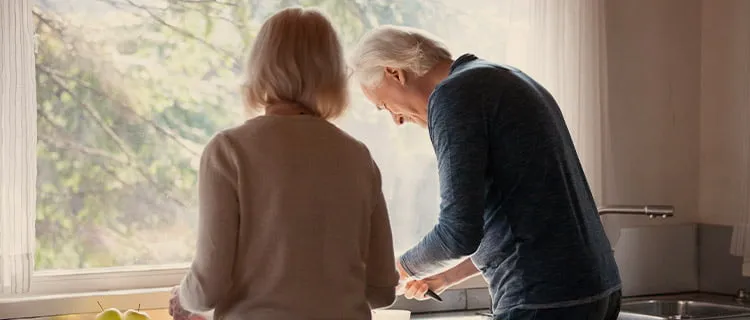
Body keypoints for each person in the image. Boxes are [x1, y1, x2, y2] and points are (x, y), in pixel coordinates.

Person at [349, 25, 622, 320]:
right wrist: (445, 278)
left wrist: (393, 270)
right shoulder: (502, 78)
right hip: (596, 291)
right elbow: (521, 220)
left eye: (385, 105)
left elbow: (458, 233)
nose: (396, 120)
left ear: (395, 73)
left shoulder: (453, 96)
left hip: (541, 300)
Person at [169, 8, 399, 320]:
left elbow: (207, 288)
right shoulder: (358, 157)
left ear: (259, 66)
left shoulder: (228, 151)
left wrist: (183, 298)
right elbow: (382, 291)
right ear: (332, 71)